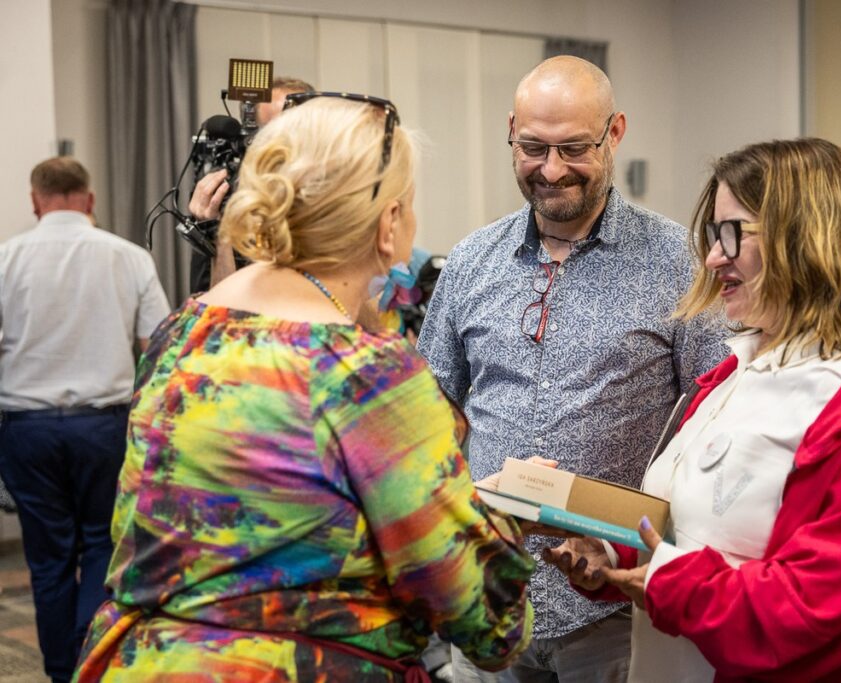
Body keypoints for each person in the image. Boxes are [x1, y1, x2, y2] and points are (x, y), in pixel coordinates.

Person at [73, 96, 534, 680]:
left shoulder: (182, 332)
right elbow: (484, 620)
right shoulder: (368, 376)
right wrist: (497, 520)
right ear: (389, 225)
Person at [545, 138, 841, 681]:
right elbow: (687, 526)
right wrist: (612, 553)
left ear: (805, 239)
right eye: (713, 236)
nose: (713, 257)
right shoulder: (735, 373)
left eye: (731, 233)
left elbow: (817, 610)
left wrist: (669, 582)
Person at [417, 55, 727, 682]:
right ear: (510, 131)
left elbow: (713, 415)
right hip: (491, 595)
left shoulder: (677, 260)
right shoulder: (474, 258)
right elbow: (434, 407)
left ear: (615, 133)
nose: (552, 170)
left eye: (574, 149)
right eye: (532, 147)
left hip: (614, 604)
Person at [0, 157, 170, 683]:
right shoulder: (130, 257)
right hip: (104, 426)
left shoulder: (5, 260)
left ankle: (56, 671)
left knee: (48, 557)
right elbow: (158, 346)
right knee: (103, 544)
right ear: (89, 200)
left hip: (25, 428)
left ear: (35, 200)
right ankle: (88, 663)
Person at [187, 76, 316, 293]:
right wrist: (218, 233)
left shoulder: (338, 198)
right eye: (270, 133)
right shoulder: (227, 202)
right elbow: (213, 309)